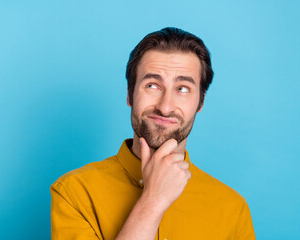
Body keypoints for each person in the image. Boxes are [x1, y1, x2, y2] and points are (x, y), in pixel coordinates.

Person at [50, 27, 256, 240]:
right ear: (130, 94)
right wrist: (153, 200)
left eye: (183, 88)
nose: (165, 107)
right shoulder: (73, 193)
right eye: (153, 85)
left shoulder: (233, 208)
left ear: (201, 102)